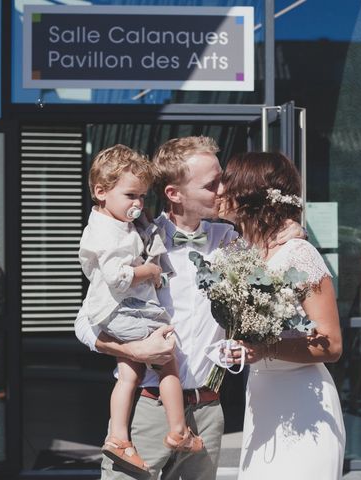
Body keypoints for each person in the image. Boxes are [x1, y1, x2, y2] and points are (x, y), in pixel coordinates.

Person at [75, 136, 306, 480]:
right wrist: (131, 348)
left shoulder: (231, 243)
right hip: (146, 408)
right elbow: (85, 323)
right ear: (174, 193)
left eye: (223, 180)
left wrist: (290, 230)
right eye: (213, 184)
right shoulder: (135, 243)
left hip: (208, 410)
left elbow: (273, 273)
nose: (224, 190)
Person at [217, 151, 346, 479]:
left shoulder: (299, 254)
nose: (219, 190)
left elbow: (331, 345)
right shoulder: (237, 254)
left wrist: (268, 349)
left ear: (249, 191)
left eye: (227, 182)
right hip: (260, 400)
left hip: (304, 403)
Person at [78, 145, 203, 475]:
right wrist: (150, 271)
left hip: (120, 311)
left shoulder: (118, 222)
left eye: (143, 197)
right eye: (131, 196)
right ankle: (179, 431)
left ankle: (118, 436)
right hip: (124, 310)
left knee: (129, 374)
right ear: (100, 192)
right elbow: (117, 279)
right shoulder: (106, 232)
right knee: (167, 361)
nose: (137, 205)